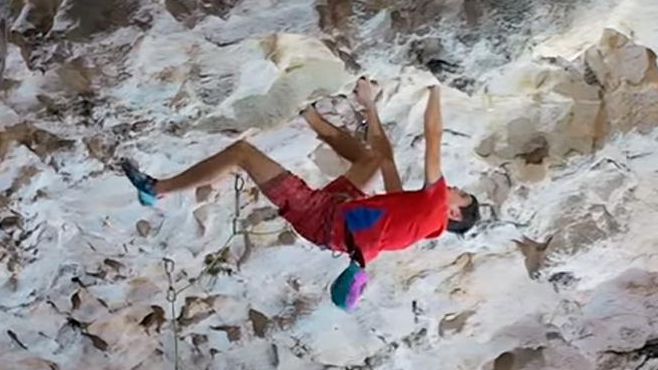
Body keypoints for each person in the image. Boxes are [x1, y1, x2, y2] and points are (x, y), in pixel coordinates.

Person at [119, 79, 480, 305]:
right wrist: (369, 105)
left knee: (242, 154)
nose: (455, 188)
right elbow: (384, 160)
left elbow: (433, 135)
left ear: (454, 213)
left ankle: (157, 190)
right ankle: (308, 114)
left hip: (321, 218)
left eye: (460, 195)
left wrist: (435, 88)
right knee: (370, 161)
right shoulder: (419, 221)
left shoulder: (434, 205)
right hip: (338, 215)